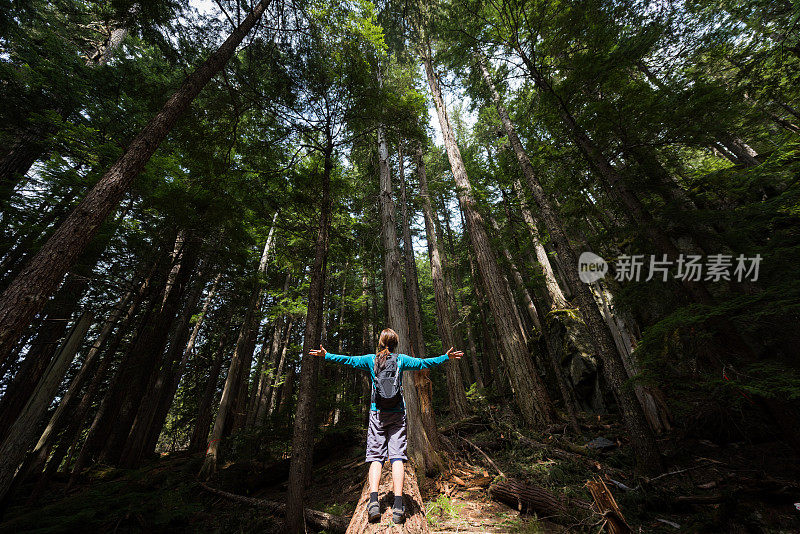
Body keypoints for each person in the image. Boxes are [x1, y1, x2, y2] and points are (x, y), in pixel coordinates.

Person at [309, 327, 462, 524]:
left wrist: (326, 355)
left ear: (380, 343)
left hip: (377, 413)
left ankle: (374, 503)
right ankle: (398, 506)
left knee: (376, 458)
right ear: (396, 344)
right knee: (397, 457)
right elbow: (424, 363)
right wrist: (445, 357)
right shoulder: (401, 360)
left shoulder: (370, 359)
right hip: (397, 413)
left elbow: (348, 360)